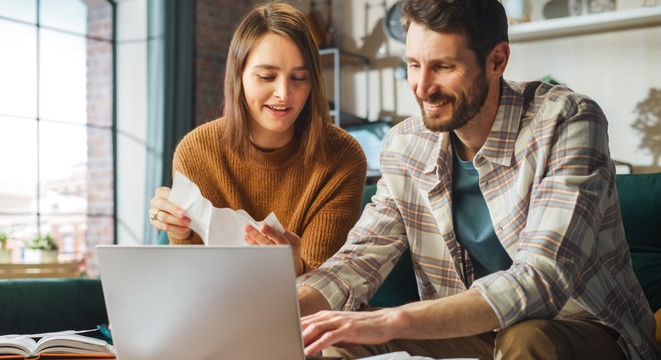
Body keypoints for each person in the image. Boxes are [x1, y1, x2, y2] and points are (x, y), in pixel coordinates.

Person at [296, 0, 660, 359]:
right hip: (472, 333)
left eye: (443, 66)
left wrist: (393, 319)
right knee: (333, 340)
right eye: (413, 65)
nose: (422, 87)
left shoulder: (566, 121)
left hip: (582, 327)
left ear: (497, 61)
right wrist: (285, 308)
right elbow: (358, 260)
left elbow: (543, 278)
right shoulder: (405, 146)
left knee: (526, 338)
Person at [148, 2, 367, 276]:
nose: (284, 93)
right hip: (217, 309)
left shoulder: (342, 156)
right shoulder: (196, 152)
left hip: (308, 313)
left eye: (299, 78)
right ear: (238, 76)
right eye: (266, 76)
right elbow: (191, 278)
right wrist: (176, 228)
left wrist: (294, 266)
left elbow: (327, 287)